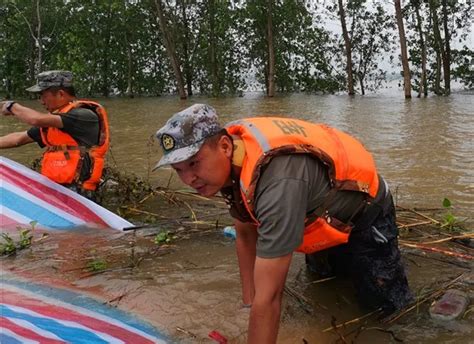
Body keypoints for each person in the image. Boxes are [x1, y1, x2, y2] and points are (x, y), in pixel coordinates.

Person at [154, 103, 412, 344]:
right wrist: (248, 306)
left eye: (193, 163)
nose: (188, 179)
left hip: (365, 211)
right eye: (178, 170)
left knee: (385, 310)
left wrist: (259, 306)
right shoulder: (231, 157)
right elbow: (245, 235)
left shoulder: (276, 183)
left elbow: (270, 297)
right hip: (318, 209)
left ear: (224, 146)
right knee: (326, 288)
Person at [0, 70, 109, 200]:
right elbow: (18, 139)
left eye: (43, 96)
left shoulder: (82, 116)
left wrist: (12, 106)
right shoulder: (54, 123)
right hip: (57, 192)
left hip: (81, 196)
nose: (41, 101)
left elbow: (36, 119)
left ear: (61, 94)